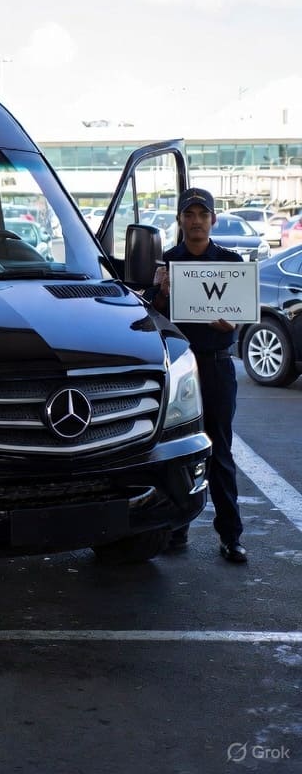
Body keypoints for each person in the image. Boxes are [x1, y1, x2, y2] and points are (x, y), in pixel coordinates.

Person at [150, 187, 248, 564]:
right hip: (178, 369)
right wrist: (161, 294)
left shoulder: (230, 262)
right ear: (179, 220)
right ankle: (177, 528)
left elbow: (239, 314)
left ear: (213, 220)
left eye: (202, 214)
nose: (196, 221)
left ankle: (231, 535)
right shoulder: (166, 263)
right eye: (189, 214)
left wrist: (233, 323)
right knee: (176, 449)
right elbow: (149, 317)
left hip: (217, 365)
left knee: (219, 450)